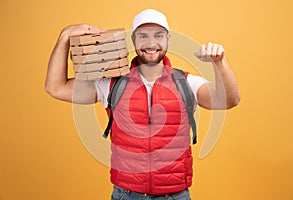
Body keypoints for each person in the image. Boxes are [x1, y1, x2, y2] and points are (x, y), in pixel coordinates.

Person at [45, 8, 240, 200]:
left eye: (158, 35)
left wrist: (219, 63)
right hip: (127, 195)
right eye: (143, 36)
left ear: (168, 39)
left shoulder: (185, 83)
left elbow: (230, 100)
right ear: (133, 41)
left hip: (176, 196)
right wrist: (63, 39)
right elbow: (56, 87)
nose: (151, 43)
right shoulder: (112, 84)